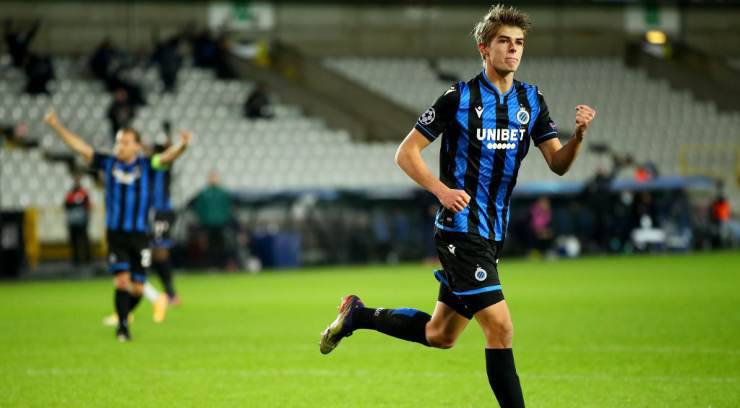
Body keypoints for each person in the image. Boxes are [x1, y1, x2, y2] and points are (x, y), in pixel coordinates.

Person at [318, 5, 596, 407]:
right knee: (500, 328)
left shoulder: (532, 100)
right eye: (504, 42)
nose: (513, 50)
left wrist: (579, 137)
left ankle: (358, 315)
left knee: (440, 335)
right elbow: (406, 152)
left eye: (519, 43)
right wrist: (441, 190)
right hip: (460, 230)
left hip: (492, 233)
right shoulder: (459, 97)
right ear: (484, 48)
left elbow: (558, 163)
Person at [43, 109, 192, 342]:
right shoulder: (108, 163)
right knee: (122, 280)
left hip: (140, 234)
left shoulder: (147, 164)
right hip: (116, 233)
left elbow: (166, 158)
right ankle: (123, 328)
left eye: (125, 142)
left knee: (138, 288)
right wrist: (56, 126)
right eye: (118, 142)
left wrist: (182, 146)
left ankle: (123, 315)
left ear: (137, 146)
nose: (120, 146)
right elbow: (81, 148)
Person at [149, 121, 180, 303]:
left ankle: (171, 293)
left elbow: (171, 152)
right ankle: (168, 293)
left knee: (160, 251)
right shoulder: (148, 166)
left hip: (162, 212)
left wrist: (168, 133)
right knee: (153, 252)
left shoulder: (165, 165)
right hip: (149, 212)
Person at [191, 171, 233, 268]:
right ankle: (210, 265)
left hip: (221, 223)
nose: (213, 179)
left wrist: (225, 219)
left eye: (215, 177)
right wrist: (202, 219)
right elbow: (199, 207)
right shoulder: (204, 193)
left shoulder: (223, 193)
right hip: (207, 223)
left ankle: (221, 265)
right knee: (208, 245)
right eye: (211, 177)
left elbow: (227, 207)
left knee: (221, 244)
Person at [64, 173, 91, 265]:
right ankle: (76, 259)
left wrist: (87, 218)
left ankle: (87, 258)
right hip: (73, 221)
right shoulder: (70, 193)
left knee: (84, 239)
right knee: (74, 240)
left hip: (82, 220)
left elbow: (88, 206)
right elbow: (66, 205)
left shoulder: (84, 193)